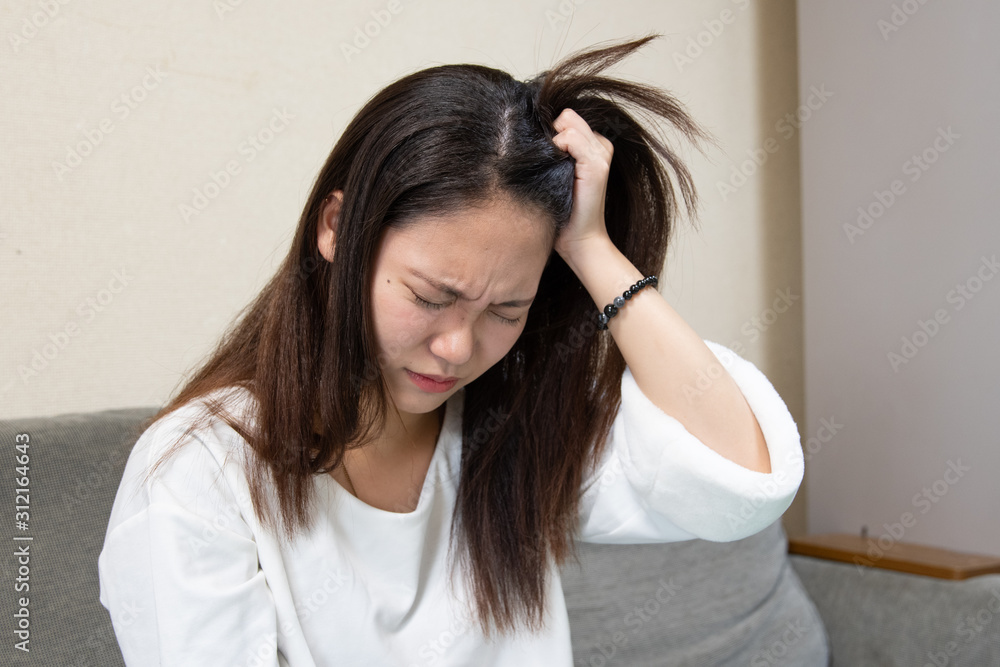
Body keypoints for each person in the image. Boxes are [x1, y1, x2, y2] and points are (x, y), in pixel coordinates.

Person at [98, 33, 804, 666]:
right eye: (431, 296)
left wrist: (593, 249)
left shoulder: (511, 429)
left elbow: (741, 479)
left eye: (506, 310)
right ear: (337, 229)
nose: (457, 347)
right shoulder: (201, 473)